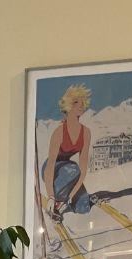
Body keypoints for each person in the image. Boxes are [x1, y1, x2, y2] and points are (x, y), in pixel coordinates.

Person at [42, 83, 93, 221]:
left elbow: (83, 170)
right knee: (73, 169)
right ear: (68, 105)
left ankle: (64, 199)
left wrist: (71, 196)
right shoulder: (59, 132)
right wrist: (50, 197)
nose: (80, 105)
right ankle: (57, 201)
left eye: (82, 102)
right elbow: (49, 168)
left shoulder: (86, 133)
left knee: (83, 207)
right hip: (52, 171)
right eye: (76, 102)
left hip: (70, 172)